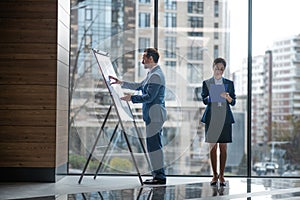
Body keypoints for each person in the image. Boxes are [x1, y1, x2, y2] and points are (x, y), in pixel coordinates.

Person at [109, 48, 167, 185]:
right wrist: (120, 82)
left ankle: (159, 177)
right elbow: (140, 86)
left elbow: (149, 97)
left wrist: (132, 98)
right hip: (154, 115)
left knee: (154, 147)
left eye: (144, 58)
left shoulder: (156, 75)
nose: (142, 61)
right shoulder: (152, 74)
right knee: (153, 146)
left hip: (155, 115)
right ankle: (158, 175)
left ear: (151, 59)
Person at [201, 57, 236, 187]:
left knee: (223, 147)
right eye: (217, 68)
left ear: (224, 70)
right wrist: (212, 96)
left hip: (225, 118)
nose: (219, 71)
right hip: (212, 118)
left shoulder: (229, 83)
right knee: (212, 147)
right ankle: (214, 175)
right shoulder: (207, 83)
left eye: (221, 69)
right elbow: (204, 100)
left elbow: (234, 102)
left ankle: (222, 175)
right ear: (213, 68)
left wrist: (227, 97)